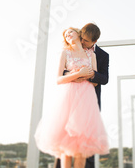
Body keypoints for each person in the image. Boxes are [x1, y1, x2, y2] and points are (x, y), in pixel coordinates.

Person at [34, 26, 110, 168]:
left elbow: (98, 80)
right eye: (66, 34)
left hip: (86, 101)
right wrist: (76, 75)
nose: (68, 35)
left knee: (83, 149)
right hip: (67, 99)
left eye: (71, 32)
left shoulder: (94, 55)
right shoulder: (65, 53)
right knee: (65, 147)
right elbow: (58, 78)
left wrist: (88, 76)